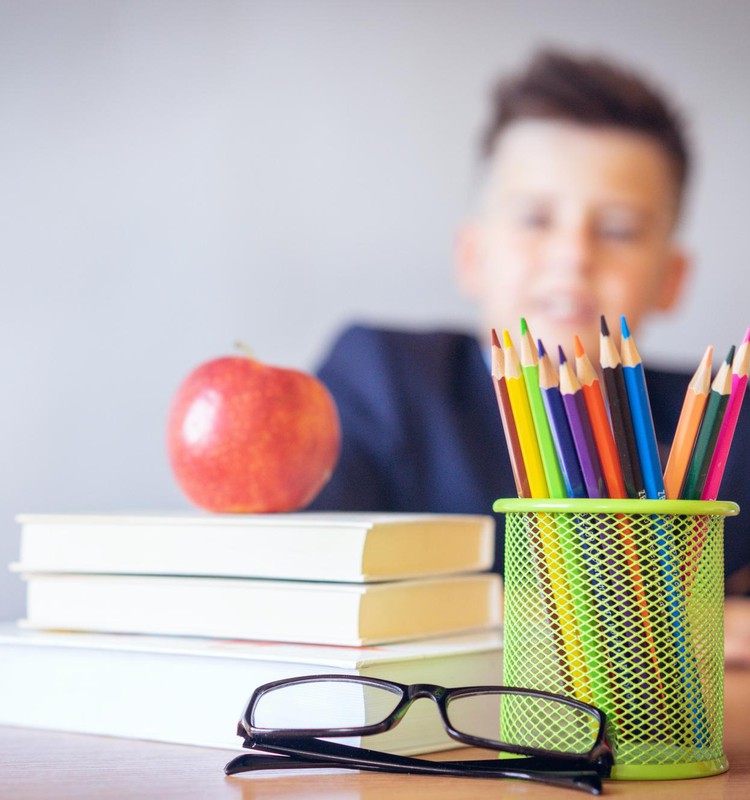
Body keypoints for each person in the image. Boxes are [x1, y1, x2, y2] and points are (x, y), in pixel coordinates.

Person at [308, 49, 750, 666]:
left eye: (619, 229)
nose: (572, 254)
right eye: (535, 219)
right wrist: (704, 622)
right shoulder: (382, 378)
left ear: (672, 278)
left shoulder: (728, 429)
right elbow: (307, 590)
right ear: (472, 254)